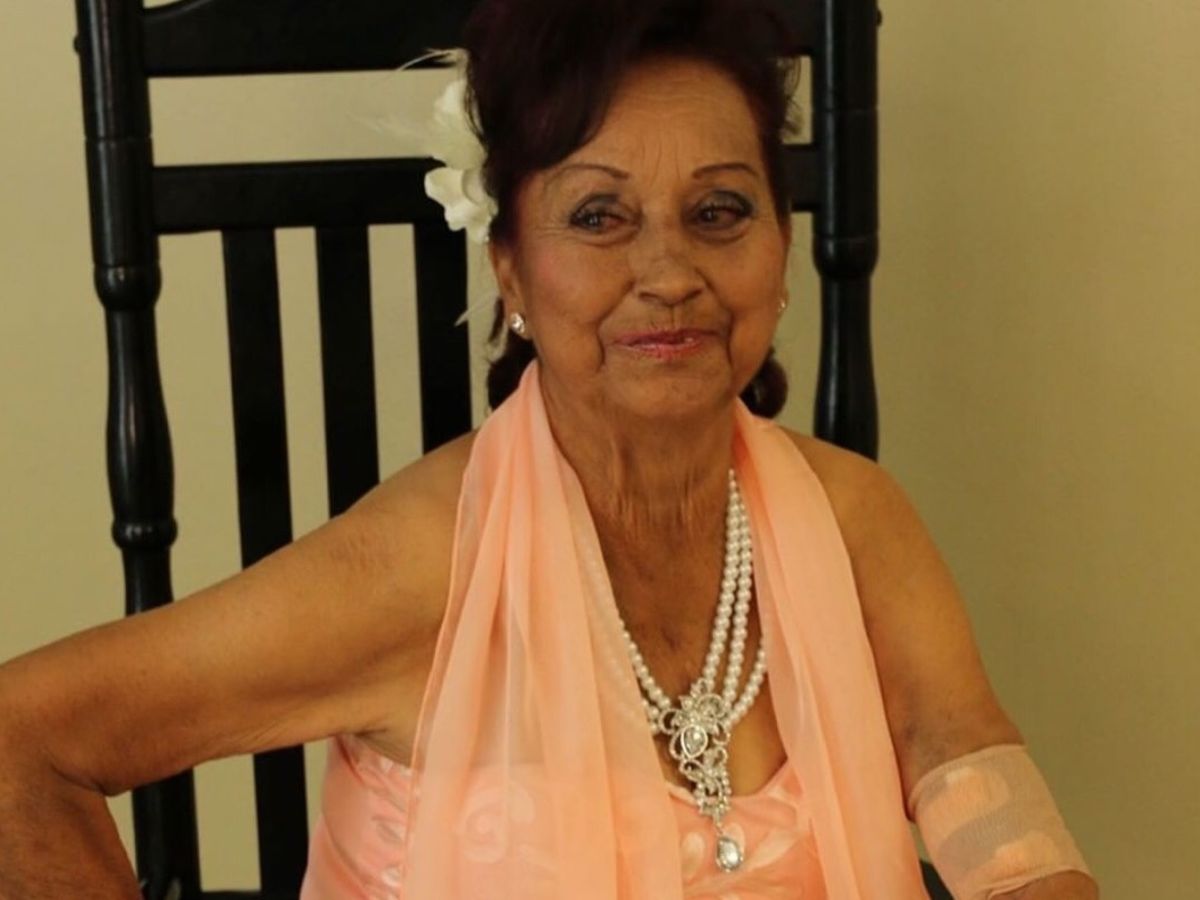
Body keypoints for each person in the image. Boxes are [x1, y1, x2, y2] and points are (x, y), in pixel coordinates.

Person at [0, 0, 1097, 897]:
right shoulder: (418, 572)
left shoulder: (856, 519)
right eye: (599, 217)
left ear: (779, 246)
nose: (670, 274)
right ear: (511, 269)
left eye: (719, 211)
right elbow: (19, 743)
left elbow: (959, 753)